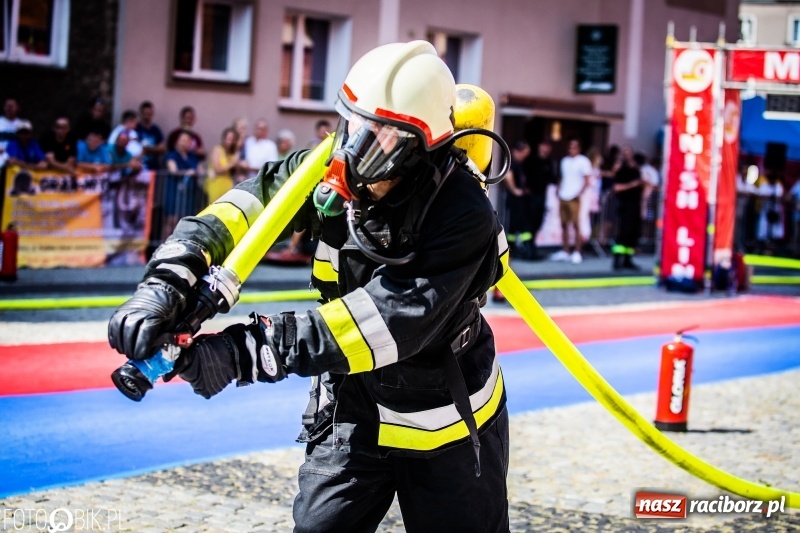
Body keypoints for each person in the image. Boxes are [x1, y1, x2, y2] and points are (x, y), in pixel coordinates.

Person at [108, 40, 509, 532]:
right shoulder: (321, 166)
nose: (355, 149)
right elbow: (240, 211)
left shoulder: (462, 212)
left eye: (381, 137)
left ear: (419, 148)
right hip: (353, 407)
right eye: (355, 124)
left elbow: (386, 323)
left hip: (445, 418)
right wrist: (167, 281)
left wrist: (243, 351)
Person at [552, 138, 591, 264]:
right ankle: (565, 250)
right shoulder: (564, 161)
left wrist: (578, 193)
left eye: (574, 147)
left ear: (579, 148)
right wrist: (559, 189)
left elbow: (587, 180)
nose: (571, 149)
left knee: (576, 224)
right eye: (570, 146)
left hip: (574, 197)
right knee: (564, 224)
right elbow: (562, 177)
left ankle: (577, 252)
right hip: (564, 195)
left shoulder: (583, 161)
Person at [162, 131, 202, 239]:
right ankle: (163, 246)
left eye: (187, 141)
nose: (185, 143)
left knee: (185, 222)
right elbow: (173, 170)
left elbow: (200, 170)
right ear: (177, 142)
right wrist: (187, 172)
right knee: (171, 220)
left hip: (189, 194)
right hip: (174, 191)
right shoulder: (172, 155)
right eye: (182, 140)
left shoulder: (193, 157)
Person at [521, 139, 556, 260]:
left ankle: (532, 247)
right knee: (529, 223)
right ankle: (527, 249)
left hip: (542, 196)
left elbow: (552, 179)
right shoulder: (531, 160)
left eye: (548, 146)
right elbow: (522, 175)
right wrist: (524, 189)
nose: (545, 149)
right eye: (544, 145)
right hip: (531, 196)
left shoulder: (549, 162)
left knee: (538, 222)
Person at [611, 146, 644, 270]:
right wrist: (632, 184)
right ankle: (617, 260)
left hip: (635, 206)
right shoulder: (622, 170)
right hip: (625, 206)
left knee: (632, 235)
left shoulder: (636, 170)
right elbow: (617, 187)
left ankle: (627, 260)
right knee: (623, 234)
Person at [502, 140, 533, 258]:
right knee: (513, 226)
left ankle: (517, 249)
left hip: (520, 201)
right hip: (515, 201)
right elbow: (508, 176)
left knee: (518, 227)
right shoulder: (513, 163)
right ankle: (512, 250)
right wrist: (515, 190)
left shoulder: (520, 164)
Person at [207, 127, 243, 203]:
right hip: (216, 182)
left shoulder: (233, 154)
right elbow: (217, 169)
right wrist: (232, 163)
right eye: (228, 138)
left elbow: (235, 171)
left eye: (232, 139)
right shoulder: (217, 149)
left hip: (228, 183)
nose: (230, 141)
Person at [756, 172, 785, 253]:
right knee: (763, 230)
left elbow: (780, 196)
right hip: (765, 211)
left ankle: (773, 248)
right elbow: (761, 195)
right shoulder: (764, 185)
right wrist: (769, 197)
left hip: (775, 212)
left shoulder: (778, 186)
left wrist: (773, 197)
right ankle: (763, 247)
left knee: (775, 231)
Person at [136, 101, 166, 170]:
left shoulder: (156, 130)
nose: (147, 116)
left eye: (149, 114)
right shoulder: (136, 128)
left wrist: (147, 149)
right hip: (138, 168)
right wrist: (155, 149)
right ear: (141, 113)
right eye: (145, 113)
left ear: (153, 113)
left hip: (153, 168)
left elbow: (163, 149)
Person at [0, 98, 24, 167]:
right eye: (7, 106)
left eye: (12, 106)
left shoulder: (21, 124)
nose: (9, 108)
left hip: (15, 156)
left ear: (17, 108)